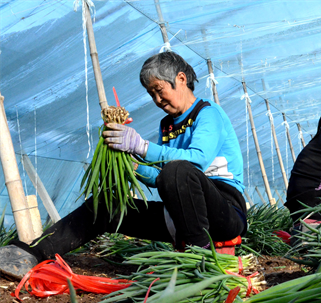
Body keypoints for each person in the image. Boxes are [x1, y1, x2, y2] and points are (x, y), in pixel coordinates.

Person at [0, 52, 247, 280]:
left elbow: (196, 160)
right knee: (107, 206)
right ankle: (30, 253)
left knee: (178, 169)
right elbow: (162, 178)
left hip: (224, 212)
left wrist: (142, 147)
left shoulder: (208, 112)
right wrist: (133, 166)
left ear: (180, 79)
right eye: (151, 94)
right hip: (179, 216)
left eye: (159, 90)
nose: (157, 100)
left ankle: (198, 262)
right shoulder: (167, 124)